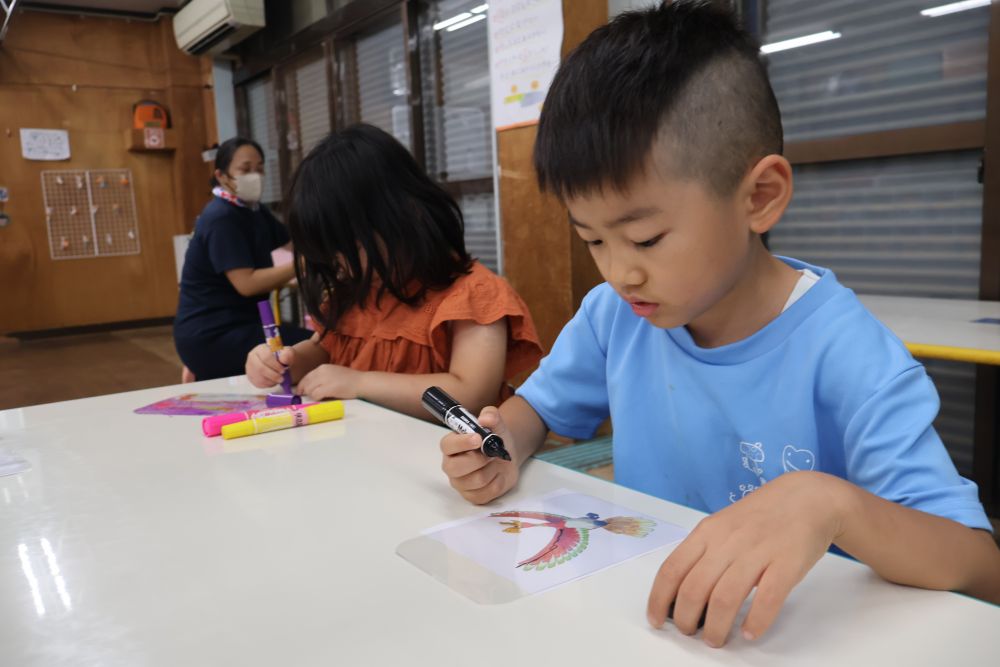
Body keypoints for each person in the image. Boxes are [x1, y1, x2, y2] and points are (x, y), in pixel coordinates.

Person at [438, 0, 1000, 648]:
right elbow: (537, 410)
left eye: (645, 238)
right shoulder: (615, 316)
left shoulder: (850, 356)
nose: (620, 274)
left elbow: (980, 566)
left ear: (759, 197)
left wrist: (831, 505)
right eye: (592, 239)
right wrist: (500, 446)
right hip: (649, 623)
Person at [245, 124, 543, 420]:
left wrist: (359, 383)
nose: (340, 268)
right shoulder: (357, 294)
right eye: (330, 256)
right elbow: (322, 352)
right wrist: (284, 363)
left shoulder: (472, 295)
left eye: (347, 250)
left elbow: (471, 394)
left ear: (402, 216)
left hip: (452, 459)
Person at [174, 137, 311, 380]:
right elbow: (247, 284)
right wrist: (302, 265)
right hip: (213, 334)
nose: (255, 176)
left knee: (305, 345)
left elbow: (294, 244)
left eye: (259, 168)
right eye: (245, 169)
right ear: (222, 176)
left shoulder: (254, 210)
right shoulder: (221, 218)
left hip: (241, 325)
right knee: (312, 348)